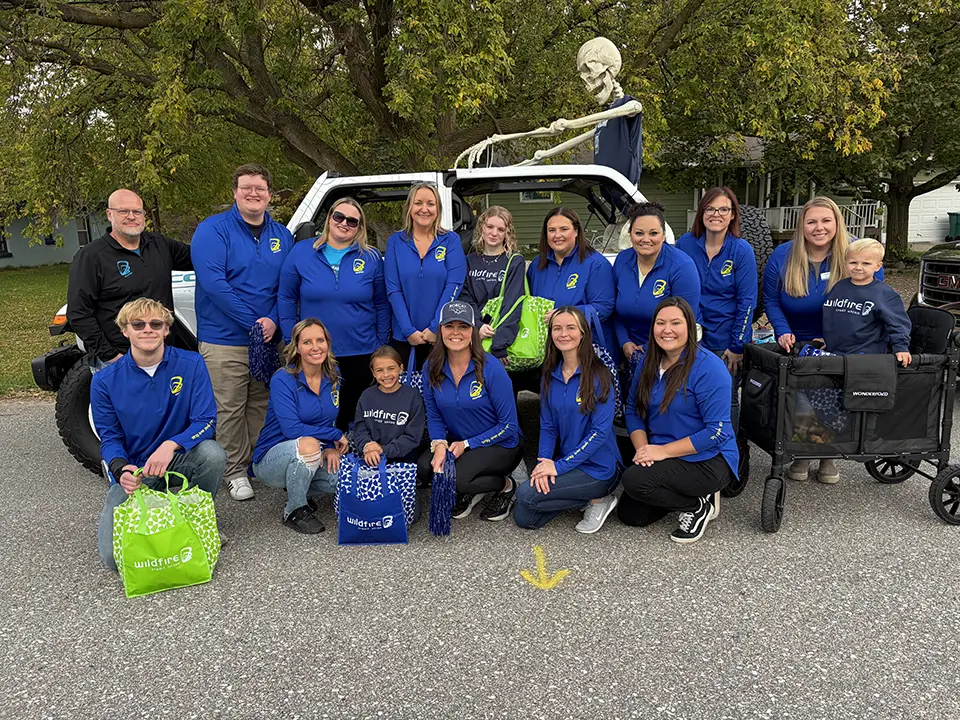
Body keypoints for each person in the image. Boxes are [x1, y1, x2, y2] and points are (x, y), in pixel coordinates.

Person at [92, 298, 226, 572]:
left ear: (166, 329)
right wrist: (120, 469)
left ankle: (199, 519)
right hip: (137, 468)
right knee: (112, 560)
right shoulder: (104, 381)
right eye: (138, 324)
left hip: (177, 458)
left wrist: (171, 445)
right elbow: (109, 438)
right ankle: (156, 512)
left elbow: (206, 421)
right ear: (125, 330)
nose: (147, 330)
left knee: (212, 454)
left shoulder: (192, 363)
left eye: (156, 324)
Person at [191, 163, 294, 502]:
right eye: (247, 187)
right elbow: (214, 284)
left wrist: (275, 321)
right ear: (234, 192)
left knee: (260, 403)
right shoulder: (212, 230)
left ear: (269, 195)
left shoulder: (282, 235)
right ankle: (233, 471)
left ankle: (253, 464)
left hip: (269, 337)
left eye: (260, 189)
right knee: (230, 406)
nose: (254, 194)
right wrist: (254, 322)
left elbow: (288, 287)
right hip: (226, 340)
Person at [763, 196, 883, 483]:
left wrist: (837, 337)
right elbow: (770, 299)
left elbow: (874, 299)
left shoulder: (856, 251)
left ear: (837, 223)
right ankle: (805, 451)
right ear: (801, 225)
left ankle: (829, 455)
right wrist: (781, 330)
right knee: (803, 397)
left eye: (826, 220)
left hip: (842, 343)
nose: (819, 227)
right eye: (812, 221)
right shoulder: (782, 255)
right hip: (797, 341)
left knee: (833, 397)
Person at [618, 297, 737, 544]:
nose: (667, 330)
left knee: (633, 480)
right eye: (660, 323)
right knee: (632, 515)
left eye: (675, 323)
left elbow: (717, 432)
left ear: (690, 328)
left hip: (707, 458)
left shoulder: (709, 368)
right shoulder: (647, 363)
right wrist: (643, 450)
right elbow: (632, 410)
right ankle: (686, 494)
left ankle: (697, 505)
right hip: (662, 451)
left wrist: (661, 451)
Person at [278, 198, 390, 430]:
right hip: (316, 353)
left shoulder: (370, 258)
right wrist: (292, 340)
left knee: (357, 416)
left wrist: (380, 343)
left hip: (361, 351)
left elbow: (381, 303)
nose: (344, 223)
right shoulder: (301, 252)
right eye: (339, 216)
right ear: (329, 218)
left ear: (360, 227)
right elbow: (287, 298)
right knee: (321, 417)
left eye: (352, 221)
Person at [514, 307, 620, 533]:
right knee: (525, 517)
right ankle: (587, 500)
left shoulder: (600, 375)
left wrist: (558, 467)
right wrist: (543, 462)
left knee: (525, 495)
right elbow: (549, 427)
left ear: (583, 333)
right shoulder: (550, 375)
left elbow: (599, 433)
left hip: (598, 468)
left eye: (571, 328)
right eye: (557, 328)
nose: (564, 334)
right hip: (566, 463)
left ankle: (601, 497)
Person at [418, 301, 524, 522]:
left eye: (463, 326)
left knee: (458, 479)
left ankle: (506, 486)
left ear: (473, 332)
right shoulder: (431, 367)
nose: (456, 332)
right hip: (459, 442)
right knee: (424, 469)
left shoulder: (491, 368)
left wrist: (466, 445)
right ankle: (474, 483)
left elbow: (509, 426)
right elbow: (435, 415)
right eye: (449, 326)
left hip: (502, 444)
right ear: (440, 330)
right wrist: (439, 444)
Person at [67, 189, 192, 371]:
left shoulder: (159, 245)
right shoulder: (91, 257)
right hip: (120, 360)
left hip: (163, 356)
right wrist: (111, 356)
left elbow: (202, 258)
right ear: (109, 214)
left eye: (137, 212)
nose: (131, 216)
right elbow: (79, 313)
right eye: (123, 211)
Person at [251, 318, 348, 534]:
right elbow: (292, 430)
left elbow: (329, 418)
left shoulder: (334, 376)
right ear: (297, 347)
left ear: (328, 344)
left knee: (341, 478)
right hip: (272, 457)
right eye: (307, 342)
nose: (315, 347)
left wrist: (331, 445)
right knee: (309, 445)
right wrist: (334, 434)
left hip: (312, 448)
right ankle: (294, 509)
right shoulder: (283, 379)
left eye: (320, 340)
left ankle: (298, 488)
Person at [676, 188, 757, 433]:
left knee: (726, 400)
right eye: (710, 209)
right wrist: (693, 330)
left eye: (723, 209)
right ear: (701, 213)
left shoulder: (741, 250)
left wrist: (737, 345)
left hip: (726, 340)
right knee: (688, 396)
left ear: (733, 215)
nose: (716, 214)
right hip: (691, 335)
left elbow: (747, 301)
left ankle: (727, 457)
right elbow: (680, 292)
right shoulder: (684, 244)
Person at [384, 184, 467, 372]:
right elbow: (393, 289)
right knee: (406, 396)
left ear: (438, 209)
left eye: (431, 203)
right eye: (418, 203)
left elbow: (454, 285)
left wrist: (435, 326)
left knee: (437, 394)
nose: (424, 209)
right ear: (409, 208)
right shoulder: (396, 242)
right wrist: (408, 330)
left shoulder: (450, 240)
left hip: (440, 335)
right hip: (404, 337)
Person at [614, 202, 701, 361]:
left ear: (663, 235)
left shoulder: (682, 267)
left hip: (671, 352)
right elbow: (615, 310)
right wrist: (624, 341)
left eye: (653, 233)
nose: (645, 239)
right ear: (630, 234)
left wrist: (647, 348)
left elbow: (686, 320)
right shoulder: (622, 261)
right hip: (629, 352)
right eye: (639, 233)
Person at [822, 239, 912, 365]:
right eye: (853, 262)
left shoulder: (885, 294)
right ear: (845, 262)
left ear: (878, 266)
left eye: (866, 263)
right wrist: (826, 338)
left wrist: (901, 348)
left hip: (867, 357)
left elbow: (898, 324)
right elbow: (831, 317)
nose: (858, 267)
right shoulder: (839, 287)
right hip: (835, 353)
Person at [458, 206, 526, 364]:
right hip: (474, 336)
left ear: (507, 233)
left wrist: (500, 344)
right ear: (482, 227)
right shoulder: (468, 261)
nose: (494, 233)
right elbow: (464, 297)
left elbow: (513, 303)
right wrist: (477, 326)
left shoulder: (514, 261)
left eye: (501, 229)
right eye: (490, 227)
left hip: (502, 343)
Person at [353, 346, 426, 466]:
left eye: (391, 368)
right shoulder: (367, 396)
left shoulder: (413, 396)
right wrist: (367, 446)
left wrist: (384, 450)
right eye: (379, 370)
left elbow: (413, 436)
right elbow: (360, 429)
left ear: (401, 368)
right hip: (370, 457)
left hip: (404, 461)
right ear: (373, 373)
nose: (386, 375)